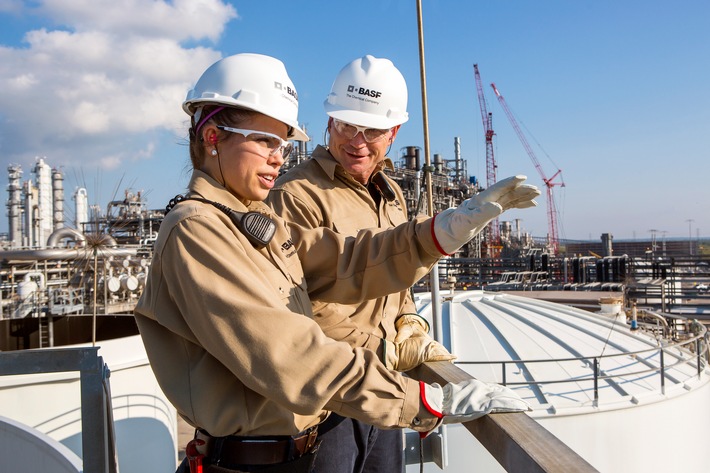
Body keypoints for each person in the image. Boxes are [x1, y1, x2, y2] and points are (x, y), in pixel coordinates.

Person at [133, 53, 539, 473]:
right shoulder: (197, 231)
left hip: (301, 443)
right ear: (214, 136)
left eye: (283, 143)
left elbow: (346, 261)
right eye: (265, 141)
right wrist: (420, 400)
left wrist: (446, 230)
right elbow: (286, 352)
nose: (278, 157)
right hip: (252, 459)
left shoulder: (249, 218)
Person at [267, 54, 454, 472]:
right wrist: (385, 351)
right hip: (328, 401)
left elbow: (397, 278)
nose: (357, 140)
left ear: (394, 133)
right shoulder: (296, 196)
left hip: (386, 392)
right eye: (347, 125)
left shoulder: (390, 193)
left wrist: (410, 322)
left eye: (371, 130)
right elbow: (299, 307)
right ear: (329, 120)